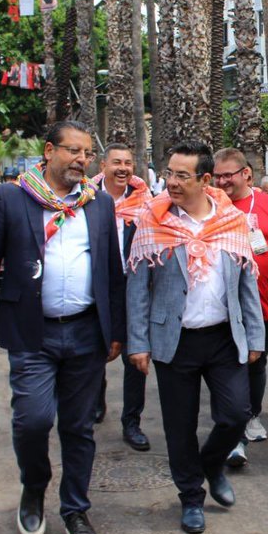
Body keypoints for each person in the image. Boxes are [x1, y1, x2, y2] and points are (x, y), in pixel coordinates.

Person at [0, 121, 125, 534]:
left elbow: (112, 272)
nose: (81, 160)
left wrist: (117, 331)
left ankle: (75, 509)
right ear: (49, 151)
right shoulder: (14, 198)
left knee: (79, 426)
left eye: (87, 153)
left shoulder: (99, 204)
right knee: (31, 420)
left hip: (87, 332)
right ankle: (34, 488)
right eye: (72, 151)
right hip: (32, 332)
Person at [126, 142, 265, 534]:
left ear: (205, 180)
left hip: (223, 337)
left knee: (236, 413)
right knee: (179, 425)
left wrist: (254, 335)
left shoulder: (232, 221)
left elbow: (245, 282)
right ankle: (190, 497)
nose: (171, 182)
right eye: (169, 173)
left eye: (182, 175)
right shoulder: (152, 221)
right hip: (175, 340)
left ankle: (211, 463)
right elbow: (138, 287)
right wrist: (137, 342)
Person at [210, 148, 268, 469]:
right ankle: (233, 428)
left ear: (247, 174)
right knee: (230, 365)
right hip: (221, 307)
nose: (223, 181)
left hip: (263, 304)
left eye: (228, 174)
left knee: (256, 364)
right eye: (218, 175)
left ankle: (251, 415)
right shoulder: (209, 205)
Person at [89, 144, 152, 449]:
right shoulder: (86, 199)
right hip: (95, 292)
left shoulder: (145, 203)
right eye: (116, 162)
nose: (123, 168)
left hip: (131, 291)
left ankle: (132, 422)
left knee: (134, 359)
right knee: (92, 355)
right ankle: (95, 401)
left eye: (128, 162)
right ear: (103, 165)